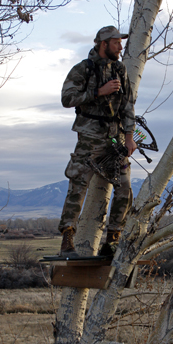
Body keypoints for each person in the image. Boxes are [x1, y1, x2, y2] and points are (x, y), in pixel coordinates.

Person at [58, 26, 136, 258]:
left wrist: (130, 137)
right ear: (103, 44)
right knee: (77, 186)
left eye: (120, 43)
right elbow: (67, 98)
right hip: (89, 139)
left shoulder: (120, 70)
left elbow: (128, 105)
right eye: (116, 43)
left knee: (124, 188)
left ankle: (112, 241)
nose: (120, 47)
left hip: (116, 139)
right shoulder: (83, 69)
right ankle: (67, 238)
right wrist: (97, 92)